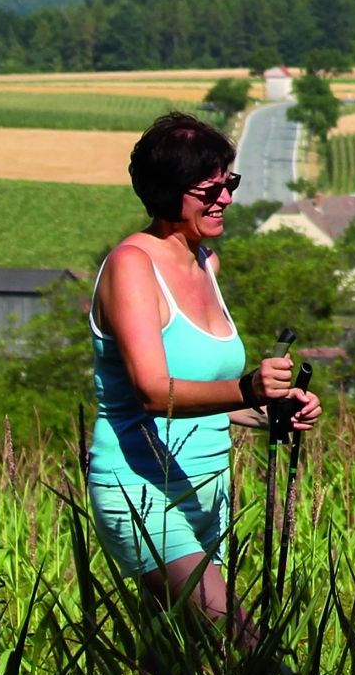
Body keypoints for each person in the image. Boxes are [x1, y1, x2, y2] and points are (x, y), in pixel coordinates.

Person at [89, 111, 319, 637]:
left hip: (205, 489)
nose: (226, 199)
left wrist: (270, 411)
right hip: (142, 492)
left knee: (175, 663)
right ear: (168, 192)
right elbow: (152, 392)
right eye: (209, 188)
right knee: (245, 647)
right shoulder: (132, 267)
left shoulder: (205, 263)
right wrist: (247, 386)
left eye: (229, 183)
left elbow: (210, 393)